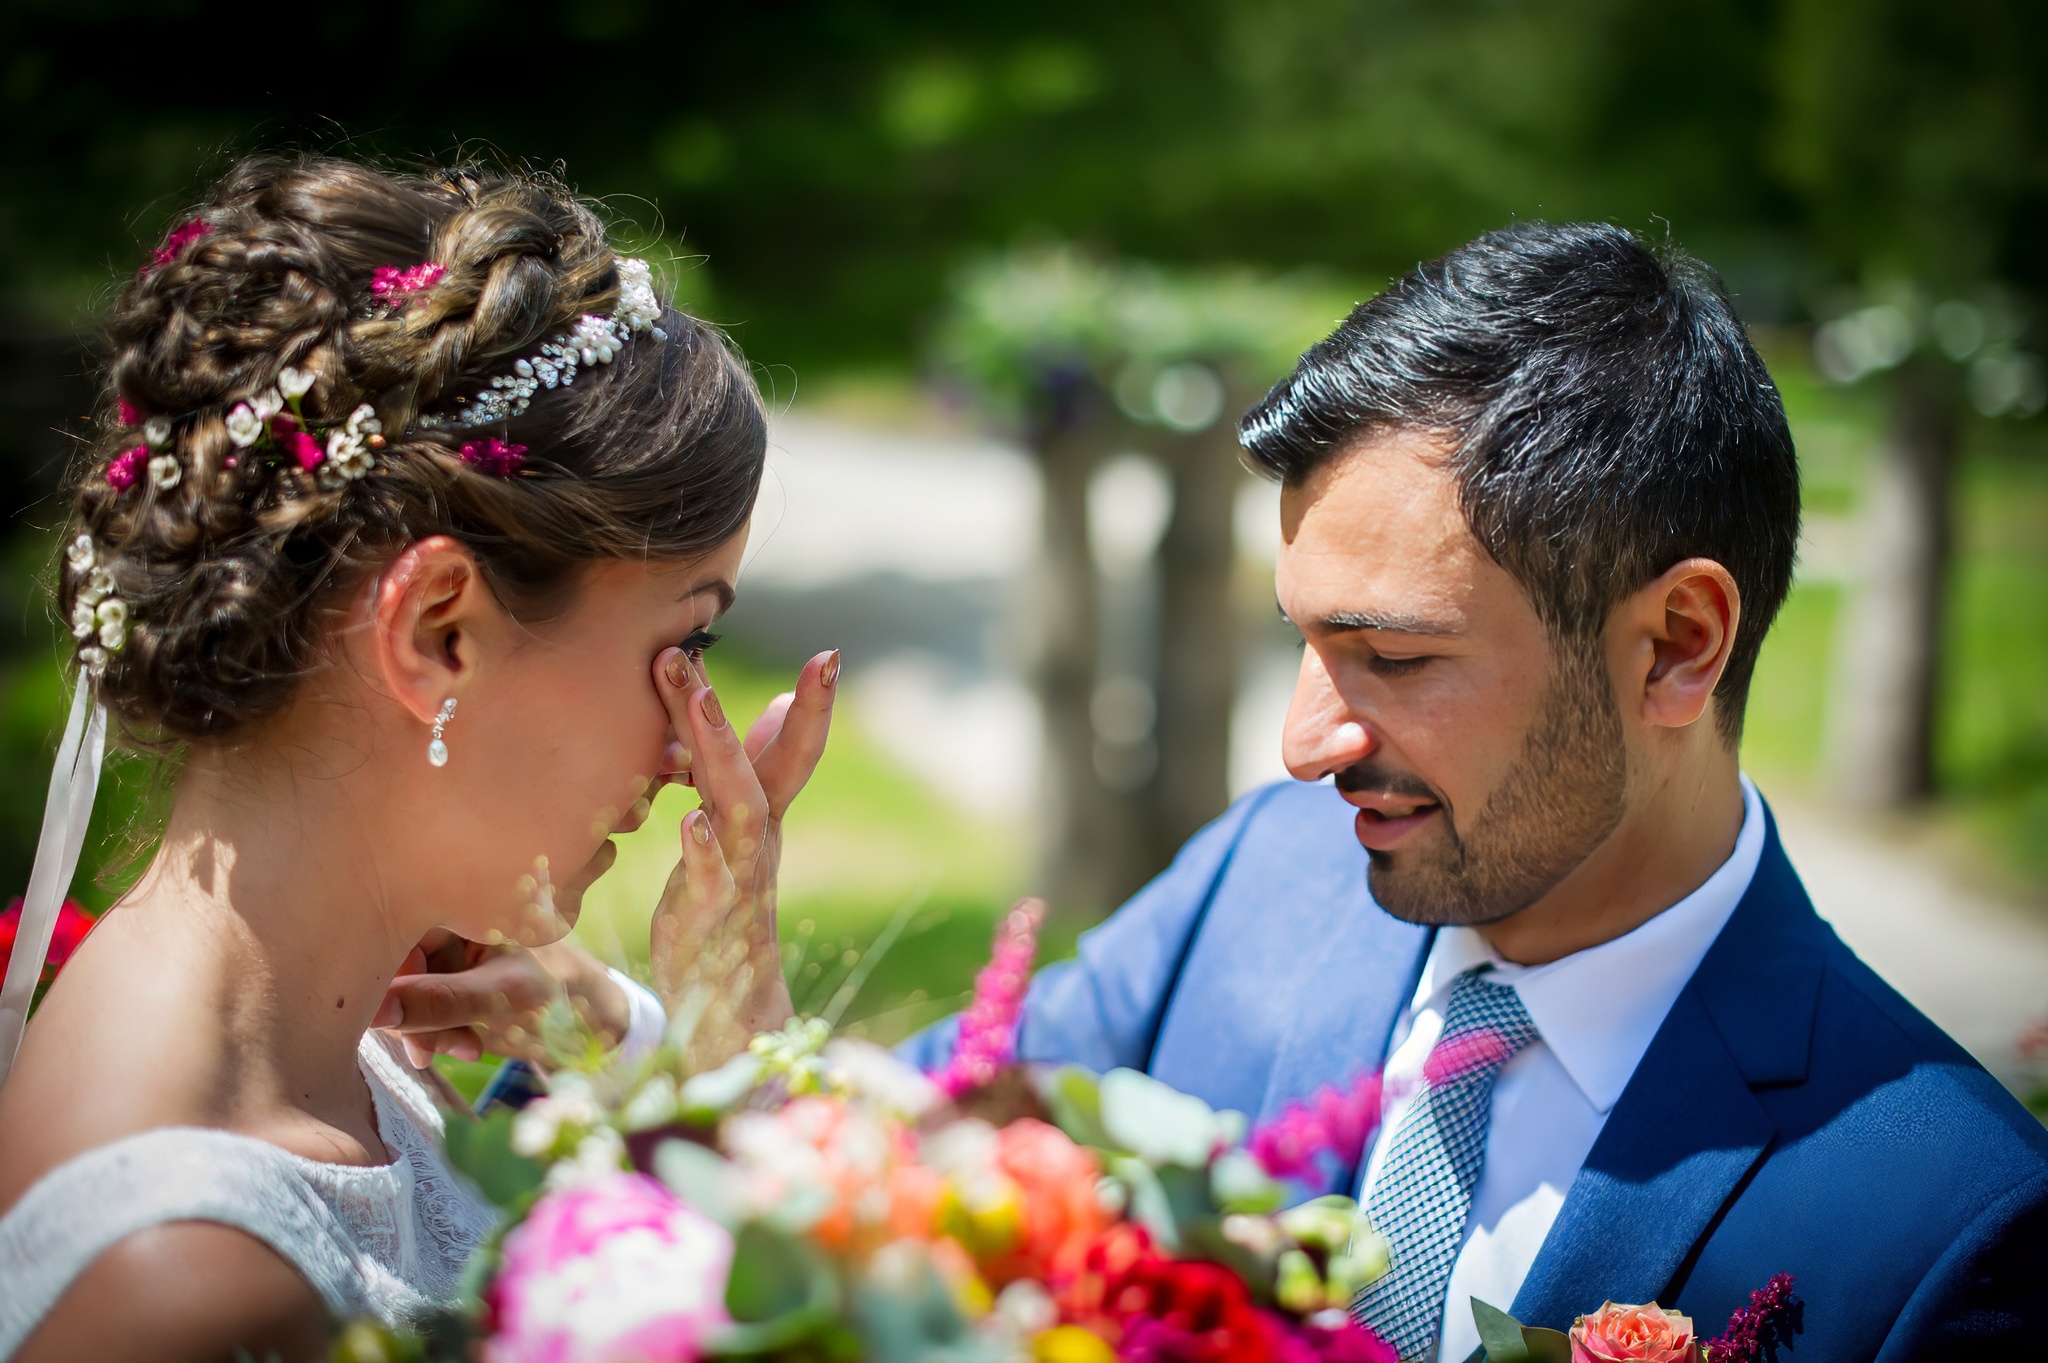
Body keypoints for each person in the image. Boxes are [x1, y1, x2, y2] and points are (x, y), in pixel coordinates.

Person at [904, 223, 2048, 1361]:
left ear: (1674, 646)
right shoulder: (1257, 876)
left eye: (1393, 658)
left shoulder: (1953, 1226)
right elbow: (914, 1144)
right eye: (1300, 639)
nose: (1304, 746)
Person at [0, 155, 836, 1361]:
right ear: (435, 629)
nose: (686, 741)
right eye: (684, 637)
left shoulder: (399, 1064)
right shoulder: (179, 1283)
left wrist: (679, 1040)